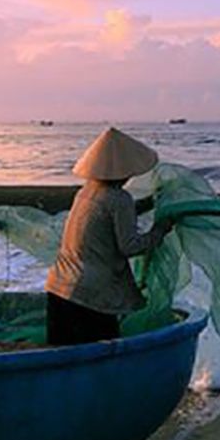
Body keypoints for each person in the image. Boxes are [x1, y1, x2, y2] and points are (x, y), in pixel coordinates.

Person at [44, 127, 172, 345]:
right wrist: (160, 230)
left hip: (58, 287)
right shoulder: (119, 199)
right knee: (103, 355)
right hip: (90, 297)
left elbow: (107, 219)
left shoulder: (85, 192)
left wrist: (146, 204)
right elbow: (129, 246)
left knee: (62, 357)